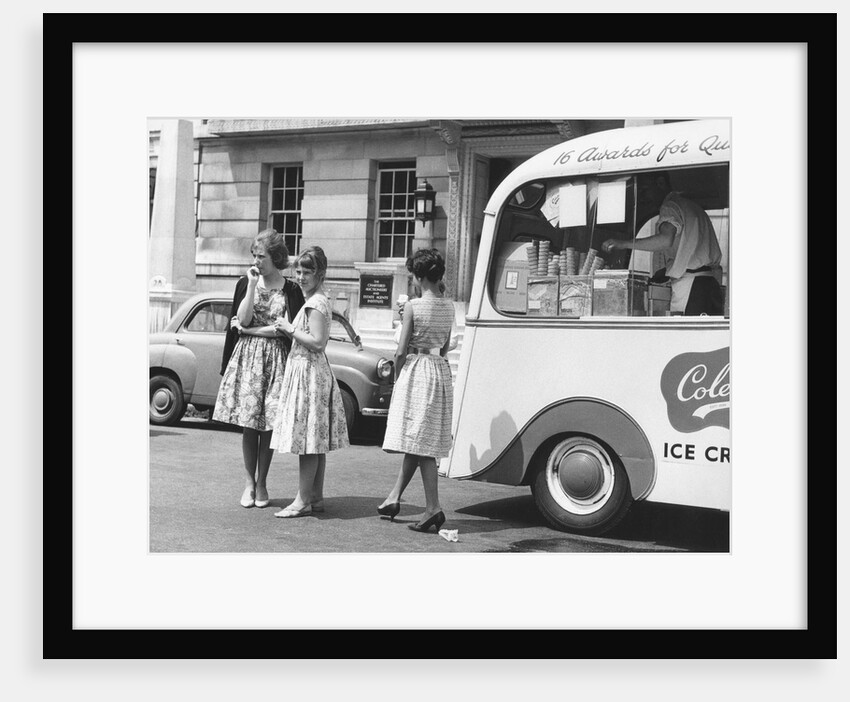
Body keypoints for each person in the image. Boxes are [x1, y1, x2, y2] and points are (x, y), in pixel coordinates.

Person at [213, 229, 305, 509]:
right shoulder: (245, 283)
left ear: (276, 257)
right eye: (253, 255)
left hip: (276, 361)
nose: (256, 261)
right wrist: (252, 287)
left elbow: (287, 330)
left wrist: (251, 330)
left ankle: (263, 481)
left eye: (261, 256)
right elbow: (241, 319)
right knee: (248, 425)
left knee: (268, 426)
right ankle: (248, 484)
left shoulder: (291, 289)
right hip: (247, 361)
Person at [378, 248, 455, 533]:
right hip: (439, 370)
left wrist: (399, 377)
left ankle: (433, 508)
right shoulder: (450, 306)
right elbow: (446, 347)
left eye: (413, 275)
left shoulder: (413, 306)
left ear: (420, 277)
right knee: (419, 438)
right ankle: (393, 498)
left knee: (420, 443)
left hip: (418, 370)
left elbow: (401, 350)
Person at [270, 246, 350, 518]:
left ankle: (302, 499)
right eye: (299, 271)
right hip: (310, 372)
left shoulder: (316, 302)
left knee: (308, 441)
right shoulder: (316, 299)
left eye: (308, 272)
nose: (301, 276)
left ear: (321, 273)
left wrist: (288, 328)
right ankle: (315, 496)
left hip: (310, 374)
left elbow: (317, 342)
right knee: (314, 441)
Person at [601, 172, 724, 315]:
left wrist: (624, 244)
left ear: (660, 183)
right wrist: (668, 269)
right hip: (709, 285)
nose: (643, 196)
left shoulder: (670, 206)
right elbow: (689, 249)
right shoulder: (692, 207)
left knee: (686, 335)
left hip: (691, 287)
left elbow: (665, 240)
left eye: (645, 190)